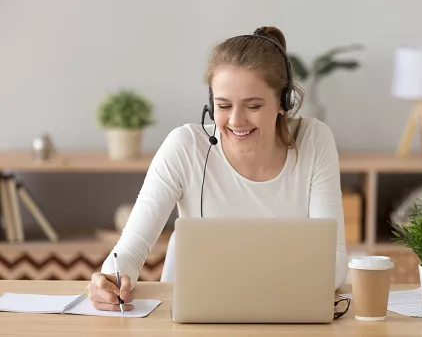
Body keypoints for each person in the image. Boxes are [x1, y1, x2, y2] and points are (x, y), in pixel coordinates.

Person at [86, 26, 348, 312]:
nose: (236, 120)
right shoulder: (185, 147)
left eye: (253, 105)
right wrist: (111, 278)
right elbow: (130, 250)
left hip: (284, 311)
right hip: (198, 316)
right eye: (223, 105)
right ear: (211, 104)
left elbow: (333, 262)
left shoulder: (313, 141)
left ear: (283, 102)